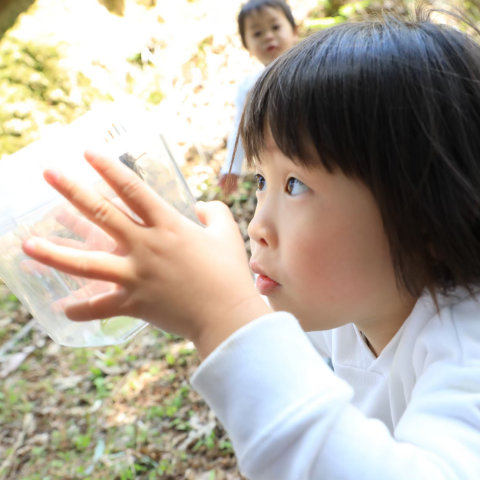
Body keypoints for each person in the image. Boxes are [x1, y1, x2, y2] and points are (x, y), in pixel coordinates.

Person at [22, 8, 480, 479]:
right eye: (261, 179)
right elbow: (264, 333)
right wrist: (182, 285)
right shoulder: (357, 304)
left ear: (429, 220)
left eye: (295, 184)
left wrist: (220, 315)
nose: (256, 224)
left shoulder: (468, 353)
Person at [218, 0, 298, 195]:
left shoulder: (315, 70)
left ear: (294, 30)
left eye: (275, 27)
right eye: (257, 33)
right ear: (246, 44)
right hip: (277, 167)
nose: (268, 36)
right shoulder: (250, 87)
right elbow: (241, 126)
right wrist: (231, 167)